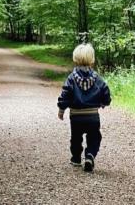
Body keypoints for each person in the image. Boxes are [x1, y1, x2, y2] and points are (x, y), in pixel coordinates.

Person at [57, 43, 111, 172]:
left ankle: (76, 158)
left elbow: (65, 94)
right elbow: (105, 91)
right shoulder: (98, 78)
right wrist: (105, 102)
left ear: (75, 58)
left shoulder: (71, 78)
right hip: (92, 115)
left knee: (76, 137)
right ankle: (90, 156)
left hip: (76, 116)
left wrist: (61, 109)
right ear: (92, 59)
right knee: (94, 137)